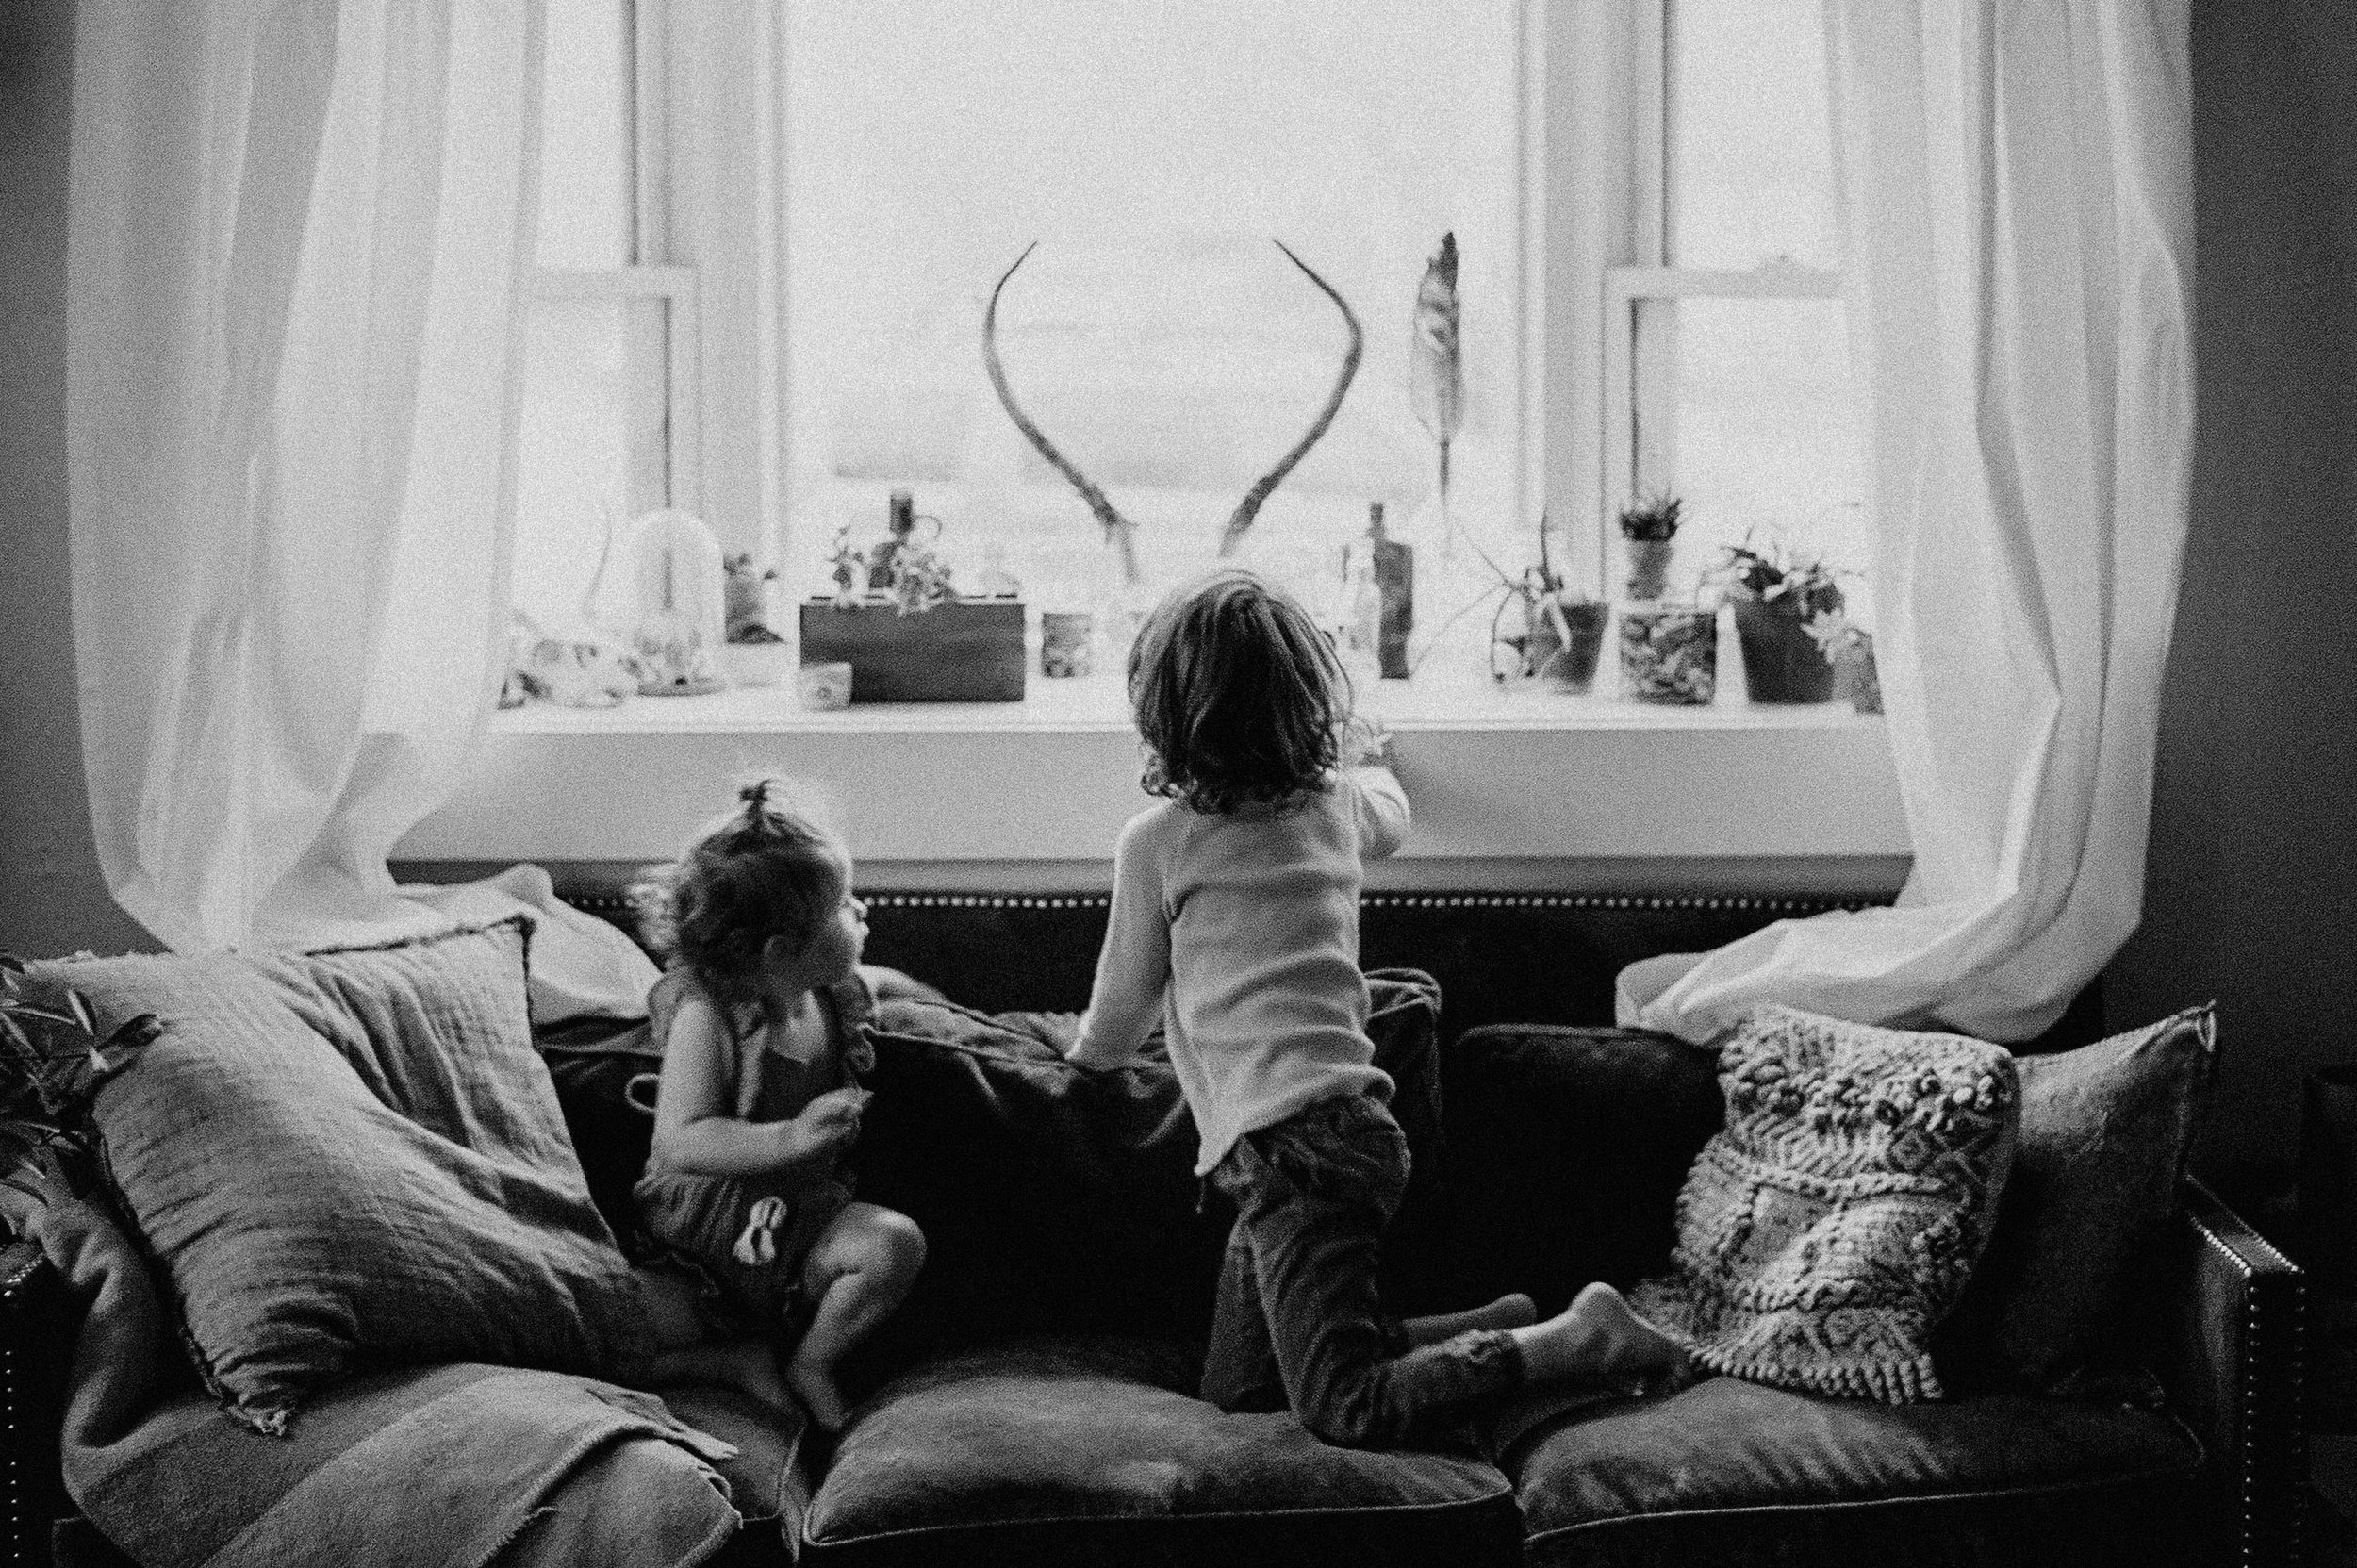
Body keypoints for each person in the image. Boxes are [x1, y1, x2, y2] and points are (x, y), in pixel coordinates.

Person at [1064, 569, 1687, 1449]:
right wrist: (1371, 758)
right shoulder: (1332, 805)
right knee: (1243, 1390)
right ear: (1306, 699)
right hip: (1326, 1136)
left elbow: (1121, 1011)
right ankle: (1494, 1321)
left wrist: (1083, 1066)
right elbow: (1391, 813)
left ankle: (1570, 1340)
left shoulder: (1159, 842)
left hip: (1298, 1155)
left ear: (1165, 711)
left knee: (1344, 1405)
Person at [631, 782, 927, 1430]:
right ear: (781, 951)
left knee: (894, 1244)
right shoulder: (710, 1018)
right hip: (697, 1251)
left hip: (800, 1236)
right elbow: (678, 1139)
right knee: (612, 1332)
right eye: (845, 904)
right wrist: (790, 1136)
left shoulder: (834, 994)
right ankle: (729, 1361)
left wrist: (949, 1009)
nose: (862, 908)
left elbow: (894, 985)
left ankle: (812, 1360)